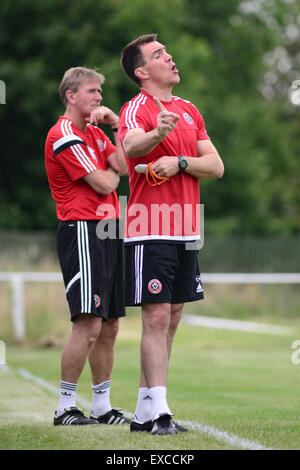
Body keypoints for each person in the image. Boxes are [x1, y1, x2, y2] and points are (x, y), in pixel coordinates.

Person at [119, 34, 224, 435]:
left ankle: (145, 410)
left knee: (174, 314)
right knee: (156, 315)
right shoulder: (137, 109)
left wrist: (180, 161)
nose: (171, 58)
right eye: (160, 55)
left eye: (168, 52)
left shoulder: (188, 109)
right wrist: (158, 135)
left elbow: (215, 166)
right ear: (142, 72)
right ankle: (160, 411)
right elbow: (131, 146)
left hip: (187, 227)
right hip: (150, 227)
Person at [45, 66, 129, 426]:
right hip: (83, 228)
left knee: (109, 325)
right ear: (71, 96)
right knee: (88, 323)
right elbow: (102, 182)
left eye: (99, 92)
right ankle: (65, 407)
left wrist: (115, 124)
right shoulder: (63, 134)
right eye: (92, 91)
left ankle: (102, 406)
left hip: (109, 229)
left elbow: (124, 166)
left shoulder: (95, 132)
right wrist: (110, 176)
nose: (98, 97)